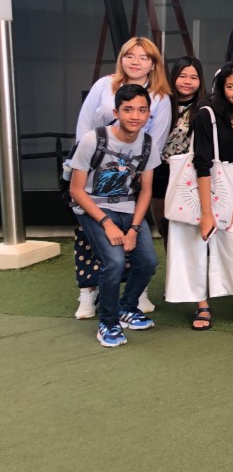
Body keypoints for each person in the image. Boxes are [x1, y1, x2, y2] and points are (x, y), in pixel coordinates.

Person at [164, 62, 233, 334]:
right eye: (230, 86)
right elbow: (201, 163)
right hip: (197, 190)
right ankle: (202, 305)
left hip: (229, 192)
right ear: (221, 89)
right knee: (194, 245)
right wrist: (206, 213)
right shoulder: (206, 113)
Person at [73, 36, 171, 319]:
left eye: (143, 57)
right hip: (92, 172)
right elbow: (84, 125)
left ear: (153, 64)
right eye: (130, 55)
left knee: (135, 245)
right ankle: (89, 292)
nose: (136, 62)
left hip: (133, 175)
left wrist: (134, 167)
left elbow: (155, 141)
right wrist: (89, 161)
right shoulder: (103, 85)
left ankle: (134, 295)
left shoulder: (160, 97)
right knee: (93, 239)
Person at [70, 84, 159, 347]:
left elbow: (146, 191)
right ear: (116, 112)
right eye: (128, 109)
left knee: (148, 262)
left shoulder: (148, 143)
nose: (135, 116)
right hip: (94, 209)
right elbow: (76, 190)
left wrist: (134, 229)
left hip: (128, 208)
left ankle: (127, 308)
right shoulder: (94, 140)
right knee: (115, 261)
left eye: (142, 110)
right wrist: (106, 223)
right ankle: (108, 323)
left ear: (148, 114)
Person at [150, 56, 206, 244]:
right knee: (164, 227)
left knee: (187, 230)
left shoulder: (205, 107)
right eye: (183, 76)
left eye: (193, 77)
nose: (187, 81)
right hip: (160, 171)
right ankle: (172, 263)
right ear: (174, 77)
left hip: (189, 173)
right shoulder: (161, 103)